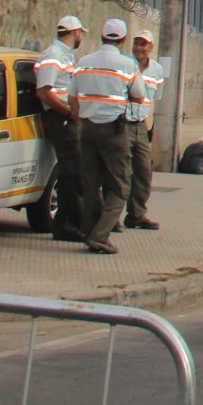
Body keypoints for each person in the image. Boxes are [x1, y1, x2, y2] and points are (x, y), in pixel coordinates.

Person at [70, 18, 142, 254]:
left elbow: (72, 97)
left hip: (87, 128)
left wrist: (81, 117)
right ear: (123, 40)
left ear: (102, 37)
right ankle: (100, 236)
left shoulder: (84, 61)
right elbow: (139, 95)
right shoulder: (127, 65)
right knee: (121, 185)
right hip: (114, 129)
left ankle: (90, 231)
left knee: (91, 183)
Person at [36, 16, 87, 243]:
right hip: (60, 118)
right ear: (75, 33)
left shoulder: (65, 55)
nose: (82, 37)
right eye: (81, 33)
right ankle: (71, 224)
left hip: (67, 118)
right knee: (73, 173)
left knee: (72, 173)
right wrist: (67, 112)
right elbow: (44, 92)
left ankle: (66, 224)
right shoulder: (53, 55)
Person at [125, 29, 165, 231]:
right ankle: (110, 216)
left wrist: (151, 127)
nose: (139, 48)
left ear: (151, 47)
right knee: (120, 171)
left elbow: (154, 101)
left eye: (143, 44)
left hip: (141, 124)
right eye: (136, 43)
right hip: (122, 122)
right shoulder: (125, 64)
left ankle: (137, 214)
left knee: (143, 169)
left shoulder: (157, 70)